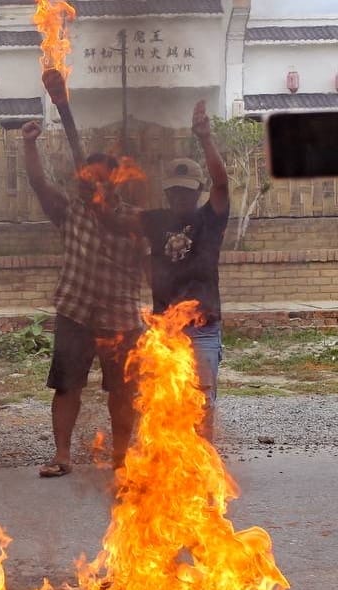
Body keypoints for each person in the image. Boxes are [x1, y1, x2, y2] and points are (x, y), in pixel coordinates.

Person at [22, 120, 148, 477]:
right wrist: (30, 145)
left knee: (122, 394)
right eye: (86, 176)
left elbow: (152, 264)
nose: (87, 182)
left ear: (112, 183)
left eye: (96, 178)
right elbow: (38, 183)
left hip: (121, 321)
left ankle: (122, 458)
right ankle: (62, 455)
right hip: (75, 312)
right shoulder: (71, 210)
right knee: (67, 386)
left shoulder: (134, 221)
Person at [141, 101, 230, 440]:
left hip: (203, 328)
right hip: (165, 329)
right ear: (166, 191)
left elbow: (222, 184)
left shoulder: (210, 218)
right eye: (174, 190)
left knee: (202, 402)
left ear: (197, 192)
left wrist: (205, 138)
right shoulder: (155, 221)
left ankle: (200, 467)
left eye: (187, 190)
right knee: (165, 404)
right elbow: (116, 218)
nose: (180, 196)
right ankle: (169, 475)